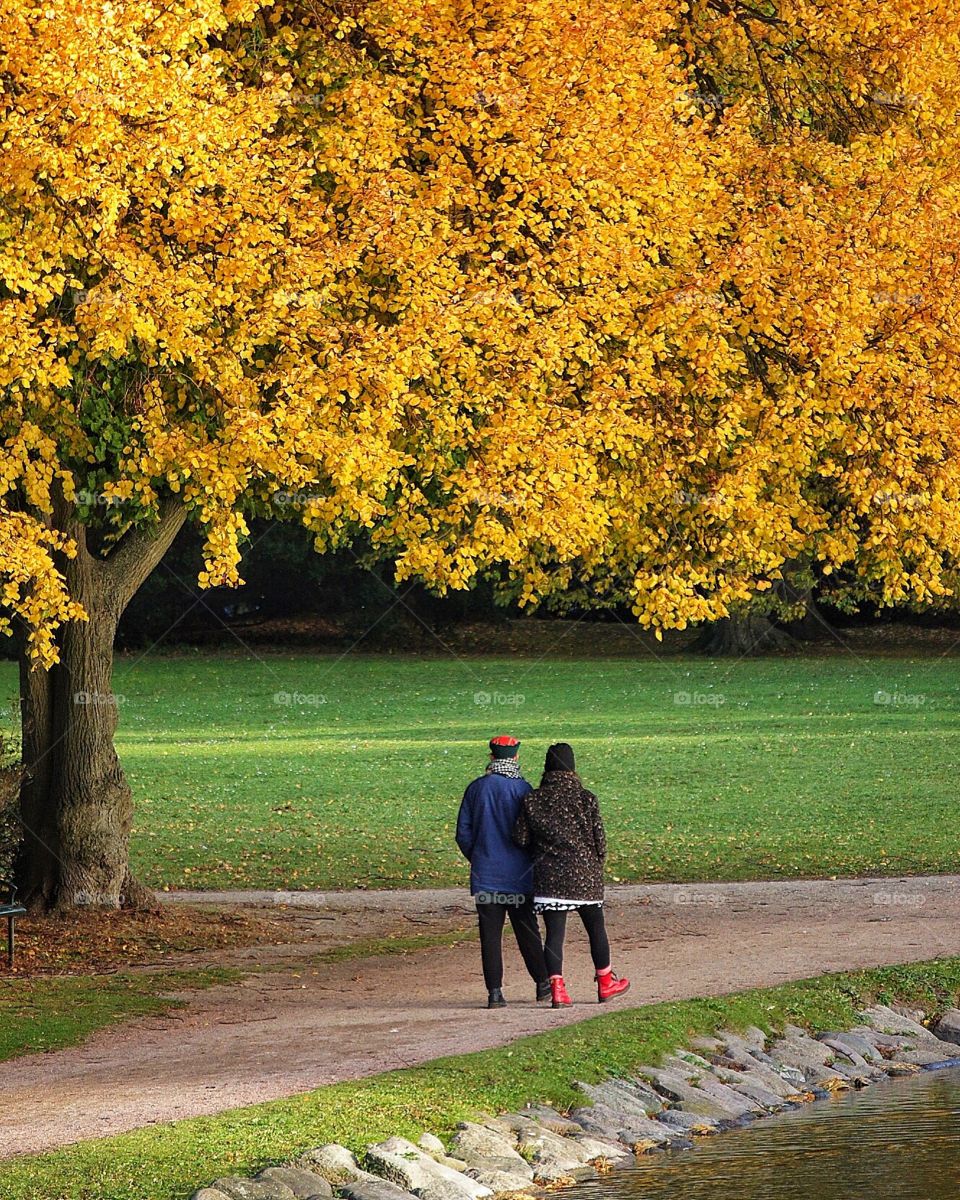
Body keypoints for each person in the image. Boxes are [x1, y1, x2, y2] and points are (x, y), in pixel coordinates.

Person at [513, 742, 630, 1008]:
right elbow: (600, 840)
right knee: (596, 929)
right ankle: (605, 982)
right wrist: (595, 865)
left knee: (554, 935)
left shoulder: (533, 799)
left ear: (546, 769)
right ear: (573, 768)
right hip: (584, 876)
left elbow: (520, 838)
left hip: (550, 878)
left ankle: (558, 989)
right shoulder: (586, 798)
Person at [456, 735, 551, 1009]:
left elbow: (463, 833)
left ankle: (495, 992)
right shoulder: (524, 789)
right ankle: (542, 982)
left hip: (486, 877)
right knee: (527, 931)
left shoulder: (476, 789)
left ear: (491, 757)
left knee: (490, 936)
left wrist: (477, 857)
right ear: (516, 757)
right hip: (519, 877)